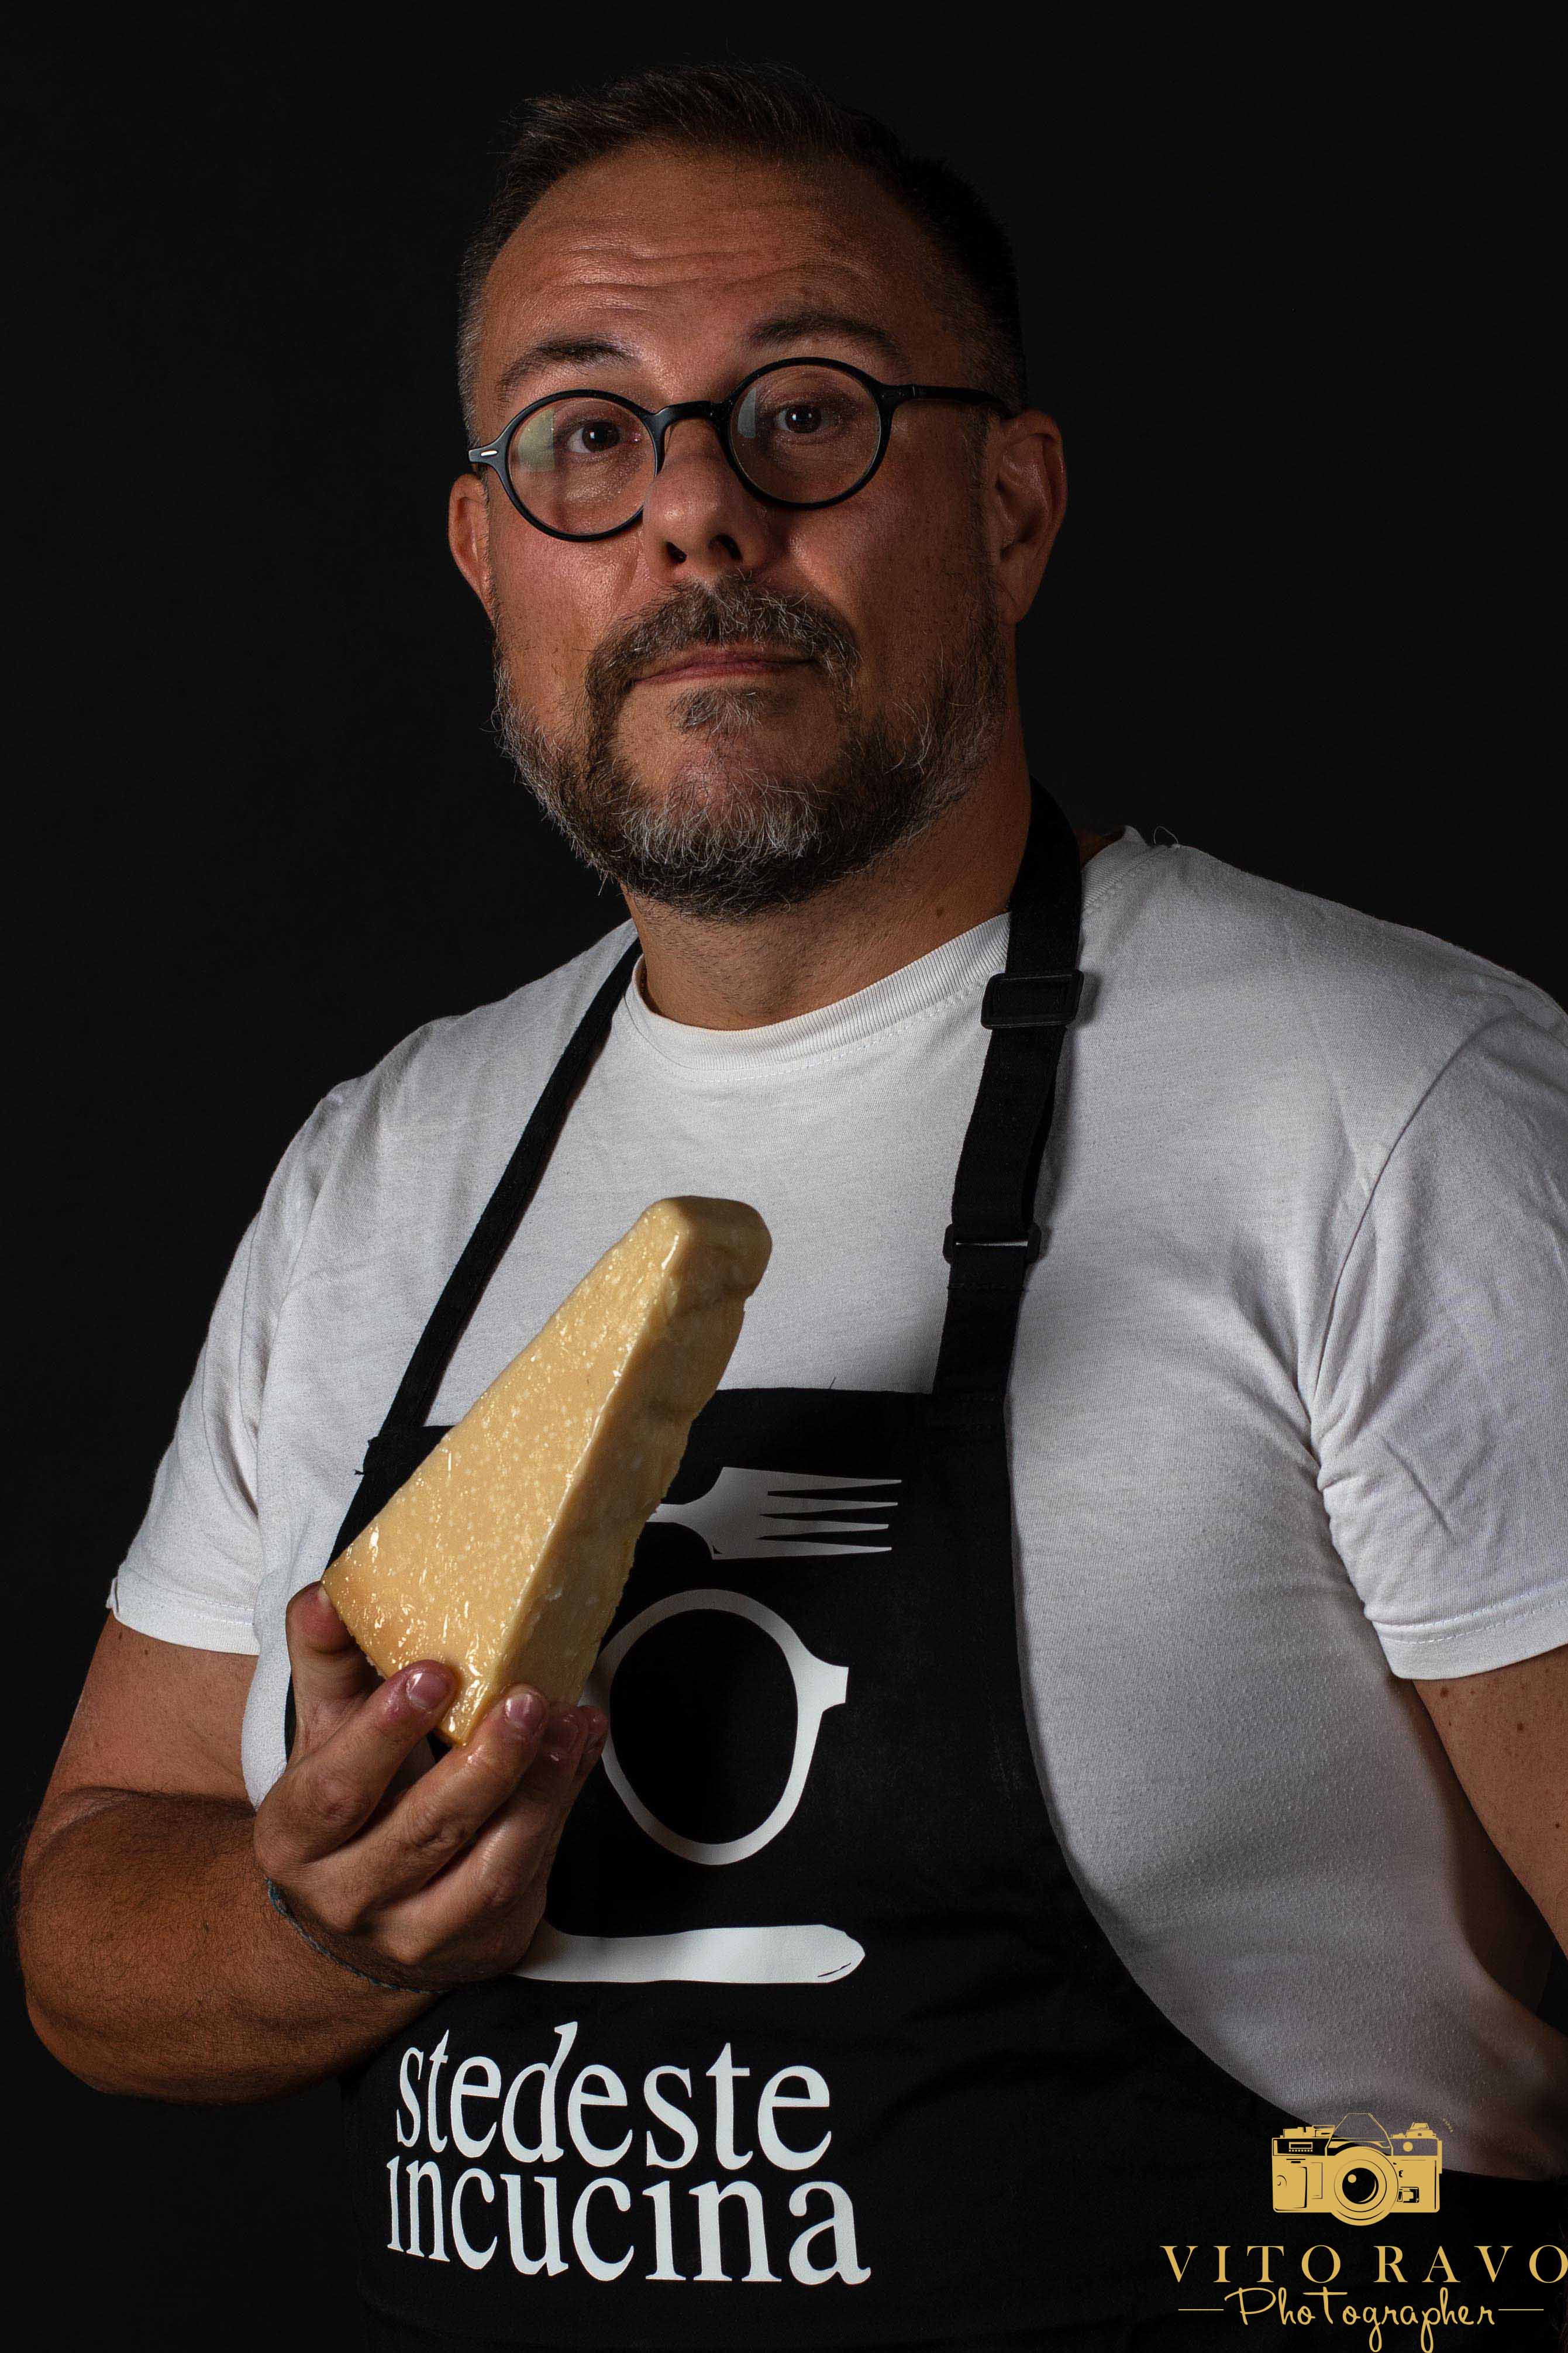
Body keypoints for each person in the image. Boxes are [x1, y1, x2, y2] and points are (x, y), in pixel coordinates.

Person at [18, 57, 1568, 2353]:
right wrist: (318, 1925)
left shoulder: (1381, 1103)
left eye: (808, 413)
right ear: (489, 557)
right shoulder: (387, 1160)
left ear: (1011, 508)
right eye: (584, 436)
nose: (695, 516)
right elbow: (88, 1912)